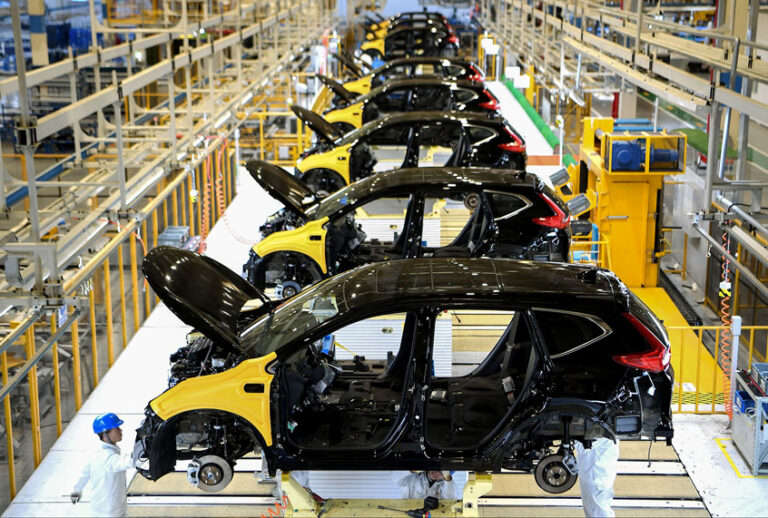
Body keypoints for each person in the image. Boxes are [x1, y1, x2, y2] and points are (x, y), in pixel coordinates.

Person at [70, 413, 135, 517]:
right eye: (116, 428)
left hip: (104, 508)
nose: (120, 430)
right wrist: (141, 453)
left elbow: (84, 474)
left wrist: (77, 490)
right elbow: (126, 462)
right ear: (105, 435)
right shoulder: (107, 457)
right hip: (110, 512)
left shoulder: (96, 453)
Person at [575, 437, 620, 518]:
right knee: (595, 506)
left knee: (597, 507)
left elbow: (585, 446)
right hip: (594, 469)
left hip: (596, 473)